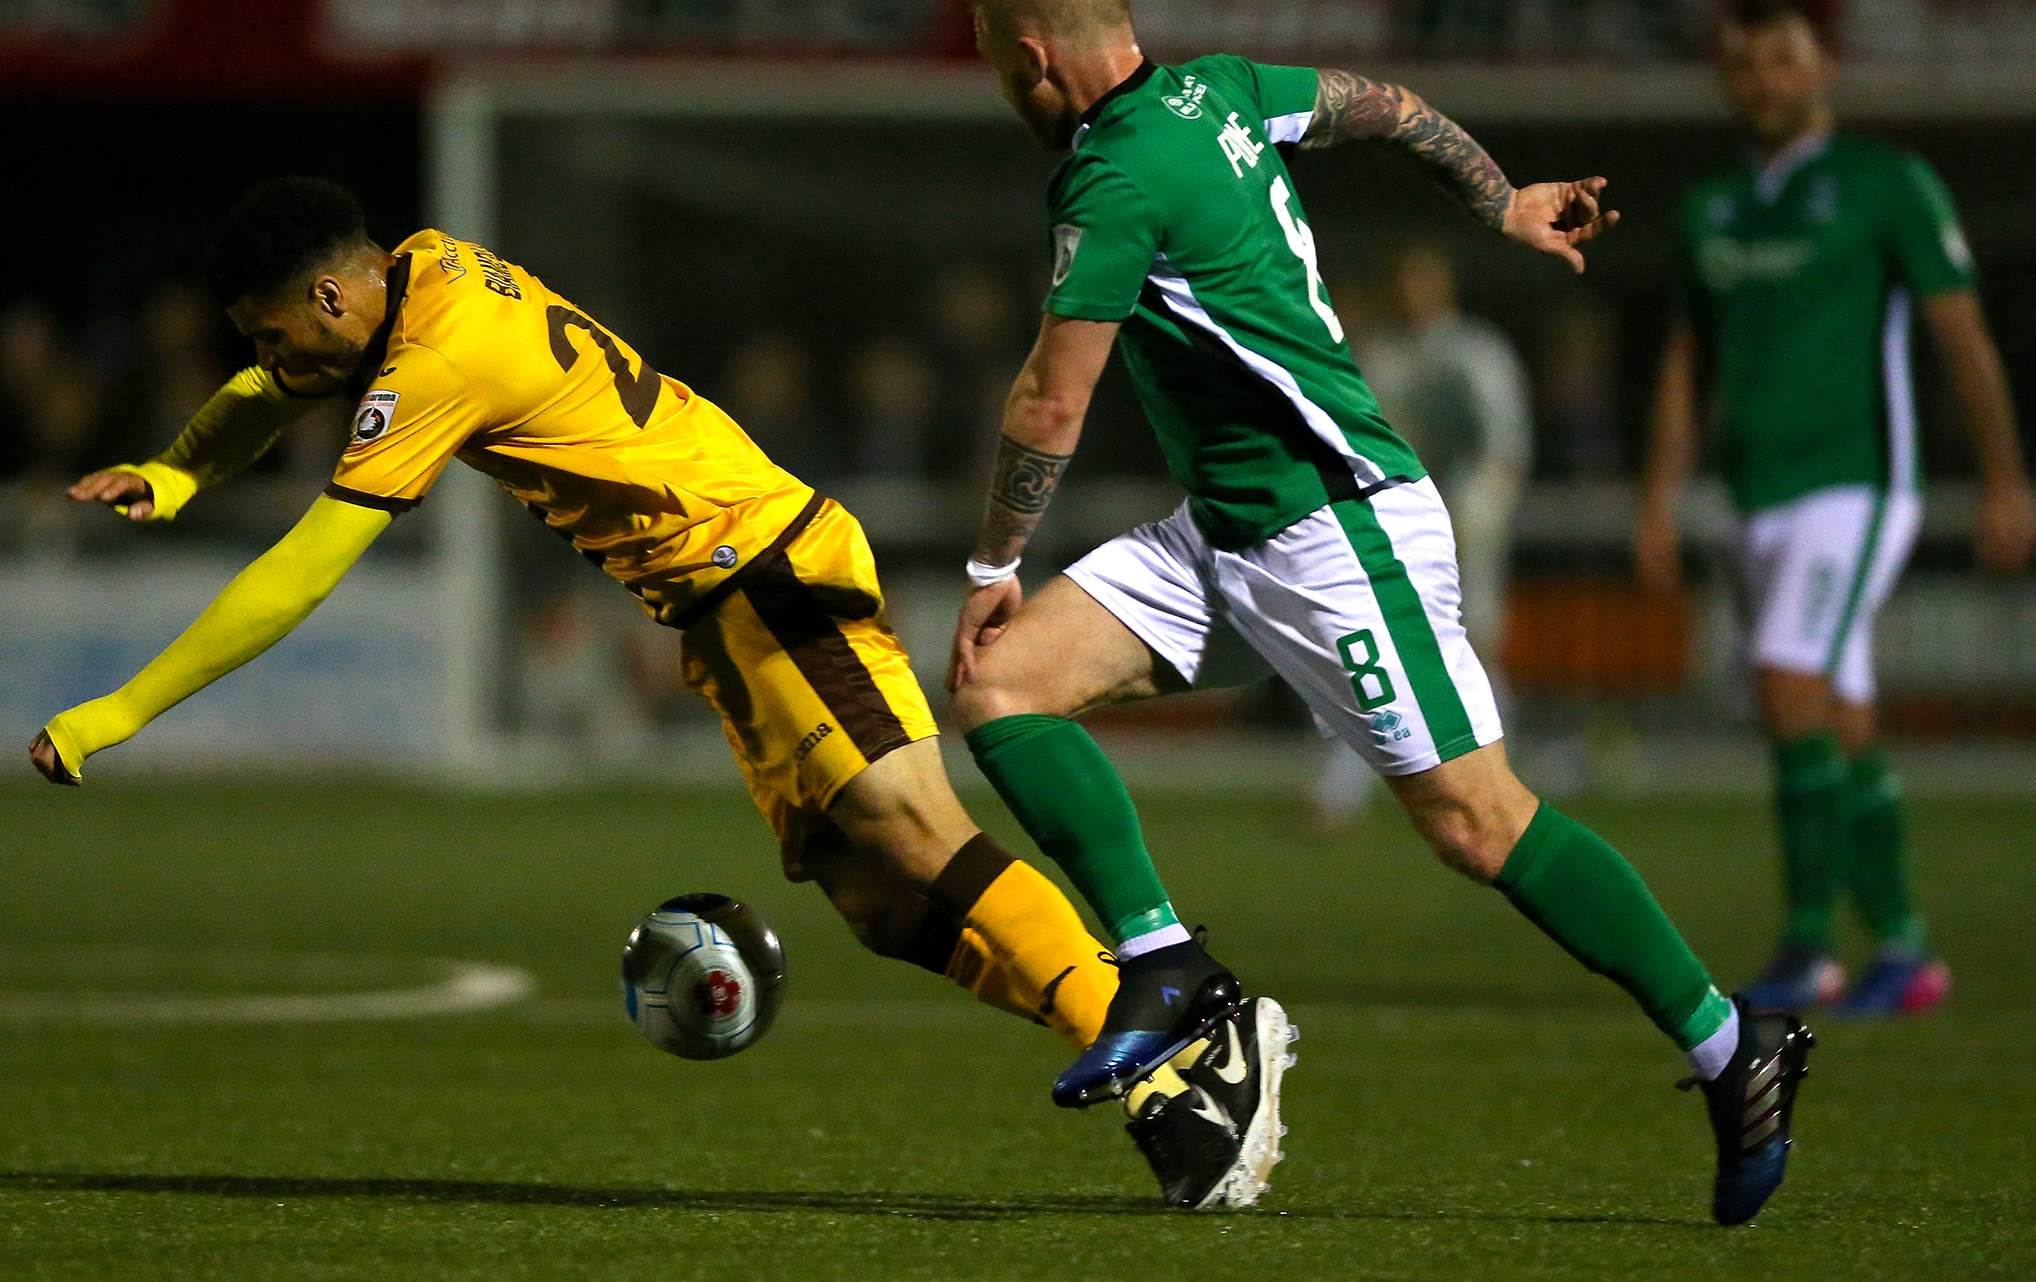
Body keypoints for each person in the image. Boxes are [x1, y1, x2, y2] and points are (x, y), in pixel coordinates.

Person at [24, 177, 1270, 1211]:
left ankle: (1184, 1060)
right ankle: (1161, 1042)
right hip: (719, 611)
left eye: (271, 329)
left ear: (332, 296)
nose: (266, 357)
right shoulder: (417, 273)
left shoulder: (443, 351)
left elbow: (300, 572)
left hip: (770, 566)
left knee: (912, 832)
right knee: (879, 906)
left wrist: (116, 712)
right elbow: (275, 389)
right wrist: (177, 474)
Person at [945, 0, 1809, 1227]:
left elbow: (1052, 403)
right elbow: (1385, 105)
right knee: (1002, 688)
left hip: (1338, 534)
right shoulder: (1224, 89)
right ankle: (1167, 962)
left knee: (1478, 822)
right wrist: (1497, 195)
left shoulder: (1111, 174)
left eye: (1000, 69)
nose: (1008, 93)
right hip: (1231, 530)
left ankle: (1728, 1044)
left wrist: (992, 556)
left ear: (1031, 55)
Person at [1637, 0, 2036, 1019]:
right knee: (1837, 719)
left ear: (1819, 72)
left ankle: (1808, 947)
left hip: (1856, 483)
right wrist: (1657, 495)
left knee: (1783, 685)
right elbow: (1686, 362)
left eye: (1782, 61)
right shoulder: (1713, 206)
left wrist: (2001, 479)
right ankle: (1906, 950)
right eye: (1746, 65)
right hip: (1753, 493)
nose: (1763, 80)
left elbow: (1961, 339)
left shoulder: (1883, 183)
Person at [1310, 243, 1531, 830]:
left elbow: (1502, 444)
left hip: (1464, 521)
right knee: (1381, 643)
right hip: (1395, 520)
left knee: (1469, 649)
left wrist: (1476, 515)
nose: (1411, 294)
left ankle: (1505, 773)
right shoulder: (1383, 354)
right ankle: (1341, 793)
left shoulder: (1474, 352)